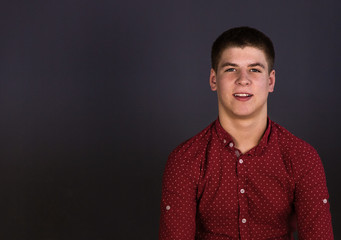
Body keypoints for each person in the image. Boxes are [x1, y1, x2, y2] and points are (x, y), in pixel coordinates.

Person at [158, 26, 333, 239]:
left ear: (270, 81)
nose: (243, 79)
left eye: (255, 69)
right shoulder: (185, 160)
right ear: (214, 79)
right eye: (231, 69)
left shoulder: (303, 158)